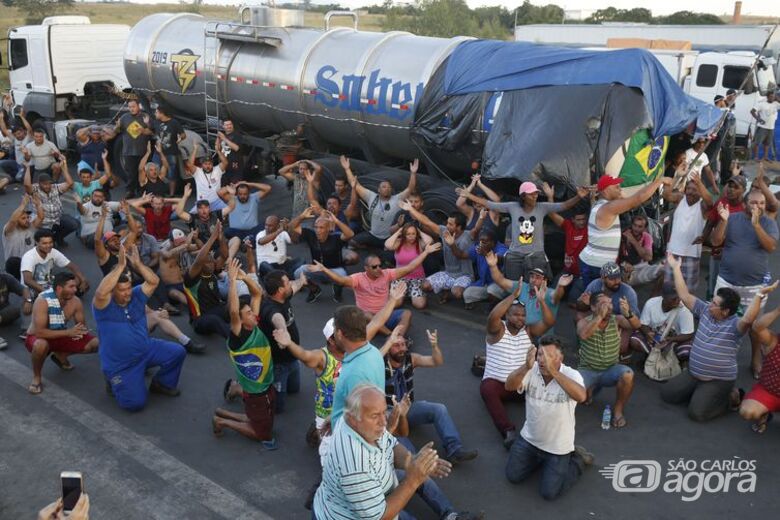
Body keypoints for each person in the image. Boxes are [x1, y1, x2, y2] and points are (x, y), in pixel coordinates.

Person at [272, 283, 406, 451]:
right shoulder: (336, 354)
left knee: (333, 464)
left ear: (340, 335)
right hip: (330, 415)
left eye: (337, 329)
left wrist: (392, 300)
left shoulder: (355, 357)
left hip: (351, 428)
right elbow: (304, 356)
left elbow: (378, 321)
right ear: (332, 340)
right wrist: (289, 343)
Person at [312, 384, 452, 520]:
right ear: (353, 420)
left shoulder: (359, 422)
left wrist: (412, 461)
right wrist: (413, 480)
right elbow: (380, 516)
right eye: (374, 416)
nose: (384, 422)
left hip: (372, 498)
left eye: (384, 412)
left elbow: (389, 444)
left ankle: (451, 515)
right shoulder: (355, 466)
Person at [663, 252, 771, 421]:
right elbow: (684, 295)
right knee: (668, 395)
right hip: (694, 373)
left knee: (697, 413)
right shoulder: (705, 310)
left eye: (714, 303)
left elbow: (749, 318)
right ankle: (701, 393)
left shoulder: (735, 326)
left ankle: (731, 398)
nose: (710, 304)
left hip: (718, 380)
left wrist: (758, 296)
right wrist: (676, 268)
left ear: (725, 311)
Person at [93, 246, 187, 411]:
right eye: (122, 290)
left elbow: (154, 281)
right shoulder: (104, 306)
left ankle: (161, 384)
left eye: (128, 288)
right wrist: (120, 266)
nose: (127, 293)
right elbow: (101, 293)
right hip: (121, 364)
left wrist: (137, 264)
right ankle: (113, 380)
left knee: (177, 352)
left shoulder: (136, 295)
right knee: (135, 404)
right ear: (113, 291)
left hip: (146, 350)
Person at [504, 335, 593, 501]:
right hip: (529, 440)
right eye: (540, 355)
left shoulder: (572, 375)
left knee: (549, 493)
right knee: (512, 476)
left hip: (558, 447)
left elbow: (582, 396)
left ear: (560, 358)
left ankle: (577, 461)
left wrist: (553, 371)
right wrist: (525, 366)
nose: (542, 360)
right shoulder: (531, 369)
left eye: (549, 356)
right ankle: (539, 462)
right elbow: (509, 386)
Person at [381, 328, 479, 464]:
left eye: (403, 344)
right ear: (388, 348)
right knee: (402, 444)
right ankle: (414, 465)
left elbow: (436, 361)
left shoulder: (411, 358)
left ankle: (454, 449)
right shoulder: (379, 363)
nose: (401, 348)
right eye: (396, 345)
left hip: (408, 408)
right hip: (389, 413)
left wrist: (434, 346)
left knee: (439, 409)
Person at [457, 181, 587, 279]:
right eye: (532, 194)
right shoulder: (512, 207)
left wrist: (578, 196)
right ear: (523, 196)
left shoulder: (542, 207)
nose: (535, 196)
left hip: (536, 256)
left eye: (536, 193)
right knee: (514, 287)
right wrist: (469, 195)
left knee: (535, 287)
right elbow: (489, 204)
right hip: (515, 256)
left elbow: (564, 206)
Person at [211, 258, 278, 448]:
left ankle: (223, 412)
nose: (253, 314)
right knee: (263, 434)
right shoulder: (238, 335)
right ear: (240, 320)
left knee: (263, 419)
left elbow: (257, 294)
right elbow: (233, 312)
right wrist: (232, 281)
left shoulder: (253, 325)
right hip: (255, 391)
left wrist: (243, 277)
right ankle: (221, 421)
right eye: (248, 313)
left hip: (264, 385)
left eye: (251, 311)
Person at [711, 191, 779, 378]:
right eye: (754, 202)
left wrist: (756, 225)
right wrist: (723, 221)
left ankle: (755, 359)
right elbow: (715, 241)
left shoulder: (768, 223)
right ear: (745, 204)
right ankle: (716, 358)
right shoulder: (732, 218)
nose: (758, 206)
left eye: (762, 203)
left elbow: (771, 247)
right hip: (727, 281)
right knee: (719, 318)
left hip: (754, 286)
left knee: (754, 325)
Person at [310, 243, 441, 335]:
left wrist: (426, 252)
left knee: (407, 314)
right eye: (374, 267)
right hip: (367, 320)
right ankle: (390, 335)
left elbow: (410, 267)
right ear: (366, 268)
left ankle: (398, 337)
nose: (379, 268)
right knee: (365, 314)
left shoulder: (387, 274)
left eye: (380, 265)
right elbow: (340, 280)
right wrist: (324, 269)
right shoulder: (358, 278)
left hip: (384, 315)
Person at [482, 283, 553, 447]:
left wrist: (542, 301)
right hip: (499, 384)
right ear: (506, 314)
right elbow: (492, 317)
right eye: (515, 315)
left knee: (546, 386)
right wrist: (513, 296)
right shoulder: (497, 330)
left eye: (523, 315)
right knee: (487, 389)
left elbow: (549, 322)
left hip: (522, 384)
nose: (520, 318)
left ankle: (545, 431)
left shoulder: (528, 330)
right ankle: (508, 431)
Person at [578, 174, 671, 287]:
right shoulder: (609, 208)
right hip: (598, 266)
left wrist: (608, 191)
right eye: (616, 186)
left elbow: (625, 200)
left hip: (591, 262)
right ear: (606, 190)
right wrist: (659, 180)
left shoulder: (598, 205)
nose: (620, 188)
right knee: (602, 300)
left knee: (596, 298)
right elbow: (638, 198)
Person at [25, 272, 99, 394]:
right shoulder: (42, 301)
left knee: (96, 343)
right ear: (59, 288)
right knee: (41, 345)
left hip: (60, 335)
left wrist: (80, 331)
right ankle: (37, 377)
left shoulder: (75, 302)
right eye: (71, 287)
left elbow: (81, 328)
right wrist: (69, 333)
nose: (75, 290)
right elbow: (39, 333)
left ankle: (61, 355)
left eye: (75, 286)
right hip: (38, 337)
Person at [576, 291, 638, 428]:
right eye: (604, 304)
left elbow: (636, 326)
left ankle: (618, 411)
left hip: (610, 370)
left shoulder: (617, 320)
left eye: (610, 303)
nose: (609, 307)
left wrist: (628, 313)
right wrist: (599, 316)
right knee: (578, 396)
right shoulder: (583, 322)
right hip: (588, 370)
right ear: (593, 307)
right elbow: (584, 335)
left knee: (628, 375)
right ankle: (591, 389)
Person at [399, 203, 476, 304]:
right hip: (448, 273)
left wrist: (452, 244)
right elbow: (427, 222)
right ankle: (446, 289)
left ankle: (469, 298)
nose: (447, 225)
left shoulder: (467, 237)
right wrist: (410, 209)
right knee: (424, 286)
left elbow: (459, 255)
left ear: (459, 227)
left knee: (457, 293)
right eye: (447, 223)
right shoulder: (444, 231)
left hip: (464, 276)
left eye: (450, 224)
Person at [259, 268, 308, 413]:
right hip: (279, 365)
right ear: (280, 289)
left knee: (294, 390)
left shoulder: (283, 297)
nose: (290, 284)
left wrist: (301, 280)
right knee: (277, 407)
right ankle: (238, 388)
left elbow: (294, 287)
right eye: (287, 282)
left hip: (293, 359)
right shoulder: (269, 308)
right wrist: (283, 332)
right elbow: (277, 318)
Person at [343, 155, 418, 249]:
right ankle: (369, 247)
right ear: (378, 189)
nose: (387, 189)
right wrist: (347, 169)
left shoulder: (397, 199)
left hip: (388, 237)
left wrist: (413, 173)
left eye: (389, 187)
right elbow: (355, 185)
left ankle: (379, 249)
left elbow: (410, 188)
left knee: (388, 252)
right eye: (384, 187)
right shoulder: (371, 197)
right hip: (373, 235)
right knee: (352, 242)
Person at [290, 206, 354, 303]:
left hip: (334, 270)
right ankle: (314, 290)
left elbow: (350, 234)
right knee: (298, 273)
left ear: (328, 229)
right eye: (316, 227)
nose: (317, 230)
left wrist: (336, 221)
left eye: (321, 227)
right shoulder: (310, 234)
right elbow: (292, 227)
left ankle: (337, 290)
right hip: (317, 268)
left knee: (343, 276)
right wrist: (302, 217)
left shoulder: (336, 238)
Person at [661, 173, 712, 292]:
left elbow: (710, 202)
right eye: (688, 188)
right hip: (672, 252)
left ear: (700, 191)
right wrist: (677, 176)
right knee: (669, 289)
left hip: (691, 255)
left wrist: (699, 182)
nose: (690, 192)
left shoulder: (702, 205)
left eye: (694, 189)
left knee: (688, 292)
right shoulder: (680, 199)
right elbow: (666, 194)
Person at [703, 174, 747, 299]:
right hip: (716, 253)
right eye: (730, 186)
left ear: (743, 190)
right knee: (713, 283)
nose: (730, 189)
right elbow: (710, 222)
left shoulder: (746, 209)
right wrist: (703, 236)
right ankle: (709, 308)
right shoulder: (721, 202)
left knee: (730, 289)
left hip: (735, 256)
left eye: (735, 187)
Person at [183, 222, 230, 340]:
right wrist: (212, 237)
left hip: (217, 309)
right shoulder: (192, 279)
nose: (212, 264)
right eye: (208, 262)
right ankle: (235, 342)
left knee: (241, 303)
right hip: (200, 319)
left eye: (212, 261)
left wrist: (220, 237)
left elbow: (225, 255)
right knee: (215, 320)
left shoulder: (212, 271)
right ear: (201, 265)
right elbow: (199, 260)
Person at [627, 284, 695, 363]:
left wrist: (671, 340)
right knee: (634, 340)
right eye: (673, 298)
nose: (678, 300)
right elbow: (643, 324)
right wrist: (647, 333)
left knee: (686, 351)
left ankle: (673, 362)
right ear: (663, 296)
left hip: (674, 342)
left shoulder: (685, 309)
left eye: (679, 297)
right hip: (654, 340)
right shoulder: (651, 303)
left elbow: (689, 334)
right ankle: (653, 358)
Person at [741, 303, 780, 433]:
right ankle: (765, 412)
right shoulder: (774, 341)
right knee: (748, 412)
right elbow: (757, 328)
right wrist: (778, 310)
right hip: (768, 391)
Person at [542, 182, 588, 291]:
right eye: (579, 220)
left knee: (575, 301)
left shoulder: (589, 228)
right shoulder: (568, 226)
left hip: (583, 273)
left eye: (583, 219)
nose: (582, 222)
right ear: (572, 220)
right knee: (552, 292)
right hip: (567, 271)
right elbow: (551, 214)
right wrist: (550, 197)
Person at [23, 160, 78, 247]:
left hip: (57, 218)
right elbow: (27, 185)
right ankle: (49, 241)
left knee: (74, 224)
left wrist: (63, 169)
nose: (48, 186)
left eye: (49, 184)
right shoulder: (35, 189)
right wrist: (27, 168)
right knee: (49, 245)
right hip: (43, 223)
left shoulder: (55, 187)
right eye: (45, 184)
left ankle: (57, 238)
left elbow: (70, 183)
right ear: (39, 183)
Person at [21, 229, 89, 299]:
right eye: (44, 243)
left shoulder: (53, 252)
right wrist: (47, 292)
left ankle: (64, 295)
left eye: (50, 242)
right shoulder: (29, 257)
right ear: (36, 243)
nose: (48, 246)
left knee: (78, 278)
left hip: (48, 281)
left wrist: (83, 280)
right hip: (34, 287)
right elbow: (27, 280)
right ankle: (63, 296)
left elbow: (72, 266)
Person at [385, 222, 435, 309]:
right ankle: (400, 292)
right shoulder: (399, 243)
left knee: (420, 305)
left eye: (413, 233)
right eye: (408, 234)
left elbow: (429, 241)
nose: (411, 236)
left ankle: (411, 293)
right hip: (400, 278)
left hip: (417, 279)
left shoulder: (419, 243)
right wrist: (398, 231)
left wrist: (419, 231)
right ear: (404, 234)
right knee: (396, 303)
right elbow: (387, 245)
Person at [175, 183, 234, 248]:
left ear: (210, 208)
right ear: (197, 210)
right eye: (200, 208)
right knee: (190, 247)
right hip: (200, 248)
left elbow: (231, 207)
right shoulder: (193, 218)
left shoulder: (216, 214)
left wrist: (232, 195)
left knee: (235, 240)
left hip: (217, 245)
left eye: (206, 207)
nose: (203, 210)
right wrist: (185, 196)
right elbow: (179, 213)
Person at [115, 98, 154, 197]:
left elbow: (152, 131)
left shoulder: (145, 117)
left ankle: (142, 191)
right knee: (131, 173)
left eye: (133, 106)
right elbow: (117, 131)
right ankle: (130, 191)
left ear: (138, 106)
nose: (131, 109)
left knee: (143, 172)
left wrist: (147, 125)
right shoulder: (124, 117)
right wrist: (117, 126)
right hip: (128, 151)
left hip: (142, 151)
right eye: (129, 107)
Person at [617, 214, 664, 288]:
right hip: (627, 270)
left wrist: (633, 240)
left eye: (640, 227)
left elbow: (648, 257)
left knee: (664, 269)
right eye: (634, 225)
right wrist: (623, 263)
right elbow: (616, 256)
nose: (636, 228)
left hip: (643, 267)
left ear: (645, 228)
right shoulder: (623, 236)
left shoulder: (646, 237)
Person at [3, 193, 43, 280]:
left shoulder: (31, 227)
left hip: (28, 264)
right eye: (23, 218)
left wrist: (38, 204)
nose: (27, 220)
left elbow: (41, 218)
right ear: (17, 220)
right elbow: (12, 220)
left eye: (28, 217)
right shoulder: (9, 230)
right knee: (14, 262)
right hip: (14, 265)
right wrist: (23, 204)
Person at [183, 142, 229, 210]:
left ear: (212, 164)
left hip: (216, 202)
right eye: (205, 164)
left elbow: (225, 162)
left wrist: (218, 151)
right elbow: (189, 165)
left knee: (230, 212)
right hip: (201, 204)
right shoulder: (198, 171)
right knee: (190, 218)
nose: (207, 166)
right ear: (202, 165)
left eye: (209, 164)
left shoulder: (217, 169)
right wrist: (195, 149)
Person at [154, 104, 185, 195]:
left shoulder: (174, 123)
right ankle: (157, 193)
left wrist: (180, 138)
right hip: (158, 153)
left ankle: (171, 195)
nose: (155, 114)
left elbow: (183, 135)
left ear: (161, 113)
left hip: (171, 153)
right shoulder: (156, 122)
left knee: (172, 174)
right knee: (155, 172)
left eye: (156, 112)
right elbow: (150, 130)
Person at [0, 270, 32, 349]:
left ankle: (27, 330)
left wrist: (28, 301)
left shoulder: (6, 278)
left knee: (25, 301)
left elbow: (24, 290)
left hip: (4, 312)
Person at [750, 90, 779, 161]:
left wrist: (777, 98)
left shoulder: (776, 104)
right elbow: (752, 111)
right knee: (757, 143)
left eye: (773, 97)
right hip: (762, 127)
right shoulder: (762, 104)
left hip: (771, 128)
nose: (772, 98)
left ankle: (765, 157)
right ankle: (756, 157)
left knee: (767, 144)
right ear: (767, 97)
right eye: (771, 97)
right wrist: (758, 119)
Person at [217, 120, 246, 185]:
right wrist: (218, 139)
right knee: (224, 186)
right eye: (226, 125)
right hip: (225, 166)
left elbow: (236, 148)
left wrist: (224, 139)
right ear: (223, 126)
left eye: (230, 124)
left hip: (235, 166)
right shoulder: (223, 135)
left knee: (235, 186)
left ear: (232, 125)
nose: (229, 126)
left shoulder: (237, 135)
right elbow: (218, 149)